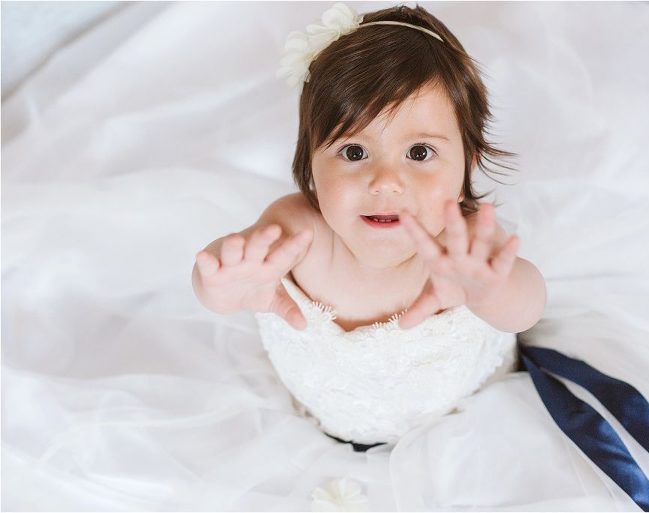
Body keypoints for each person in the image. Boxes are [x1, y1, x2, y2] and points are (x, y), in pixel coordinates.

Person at [191, 2, 546, 450]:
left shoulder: (464, 249)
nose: (385, 182)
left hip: (468, 431)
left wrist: (493, 293)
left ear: (465, 170)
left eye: (419, 153)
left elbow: (527, 305)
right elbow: (228, 272)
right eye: (354, 152)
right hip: (317, 431)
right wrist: (223, 288)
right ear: (309, 166)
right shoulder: (297, 232)